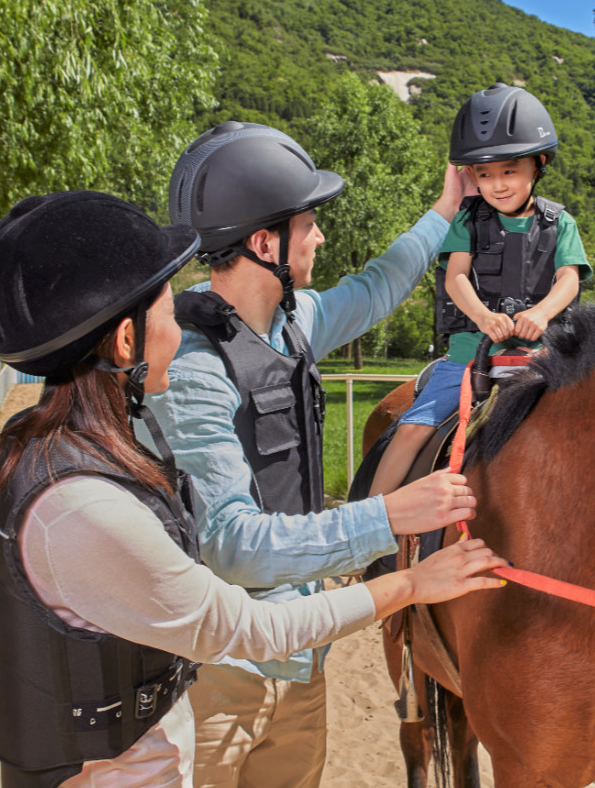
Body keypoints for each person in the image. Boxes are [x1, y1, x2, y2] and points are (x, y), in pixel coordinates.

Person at [0, 191, 506, 787]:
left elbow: (377, 286)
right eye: (171, 312)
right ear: (126, 342)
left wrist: (443, 206)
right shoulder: (84, 506)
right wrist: (404, 571)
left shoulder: (65, 455)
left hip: (268, 678)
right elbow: (242, 620)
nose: (183, 325)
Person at [144, 121, 484, 788]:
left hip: (299, 663)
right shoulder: (192, 367)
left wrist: (446, 208)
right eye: (309, 224)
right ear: (265, 242)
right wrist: (387, 517)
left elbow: (381, 284)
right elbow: (232, 545)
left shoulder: (293, 323)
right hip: (217, 677)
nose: (321, 237)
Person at [369, 83, 591, 496]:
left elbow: (569, 278)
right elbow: (456, 276)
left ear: (538, 164)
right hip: (472, 357)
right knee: (412, 429)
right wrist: (483, 318)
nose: (498, 184)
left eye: (509, 171)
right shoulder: (467, 222)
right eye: (484, 174)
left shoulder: (561, 223)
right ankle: (370, 521)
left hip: (542, 357)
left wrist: (541, 314)